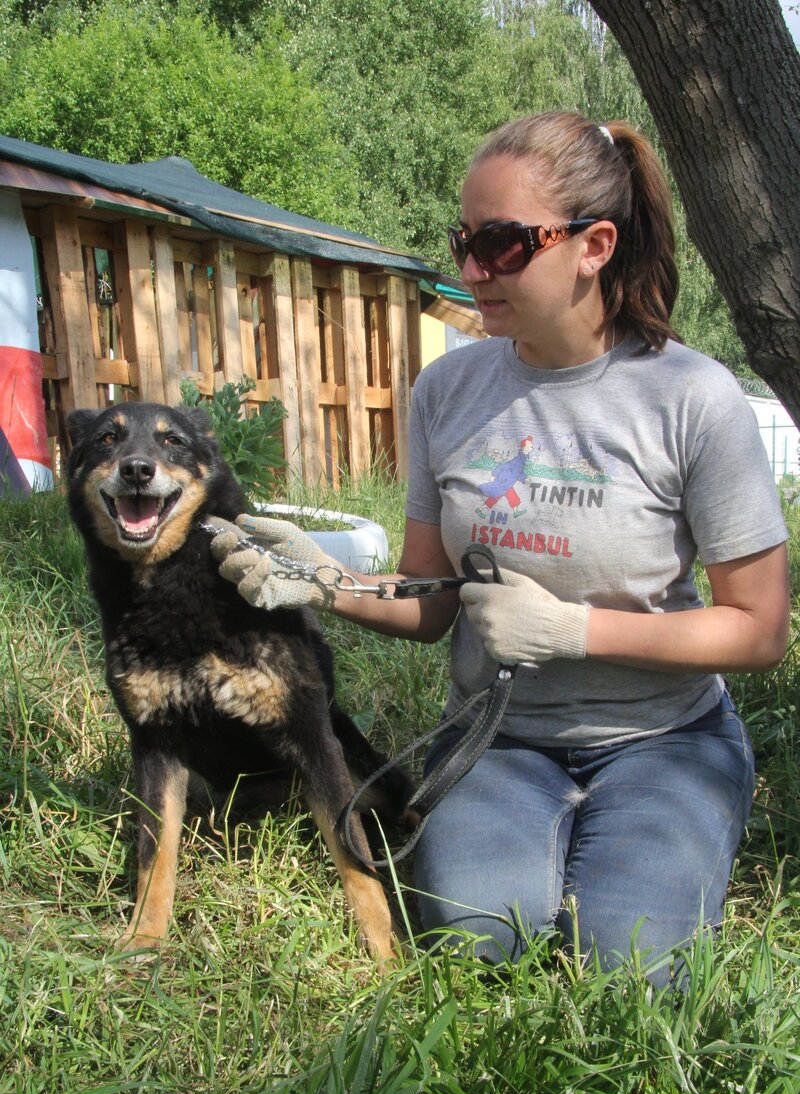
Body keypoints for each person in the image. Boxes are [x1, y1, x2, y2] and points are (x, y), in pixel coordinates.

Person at [210, 111, 790, 986]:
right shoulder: (450, 389)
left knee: (628, 966)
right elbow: (428, 600)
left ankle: (685, 820)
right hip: (500, 737)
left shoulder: (691, 399)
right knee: (475, 938)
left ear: (595, 245)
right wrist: (321, 581)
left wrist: (572, 632)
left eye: (503, 244)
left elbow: (758, 631)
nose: (472, 270)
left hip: (664, 739)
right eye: (465, 241)